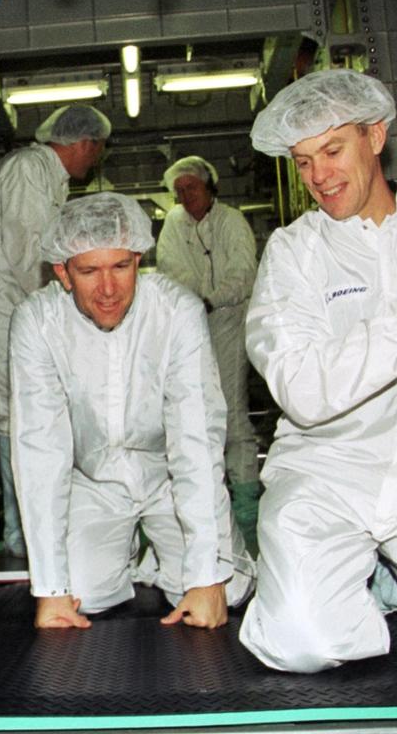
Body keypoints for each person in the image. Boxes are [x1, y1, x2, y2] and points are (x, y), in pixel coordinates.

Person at [239, 69, 397, 672]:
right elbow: (302, 389)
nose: (319, 177)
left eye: (333, 150)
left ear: (376, 135)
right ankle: (337, 579)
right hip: (327, 479)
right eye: (303, 161)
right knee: (302, 642)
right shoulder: (294, 253)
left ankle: (386, 588)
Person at [9, 192, 254, 630]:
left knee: (229, 591)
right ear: (63, 273)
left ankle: (165, 556)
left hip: (168, 480)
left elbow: (196, 440)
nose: (108, 289)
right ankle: (126, 553)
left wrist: (205, 578)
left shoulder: (177, 311)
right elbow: (39, 451)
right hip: (92, 482)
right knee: (81, 595)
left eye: (121, 267)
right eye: (89, 271)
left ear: (139, 259)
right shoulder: (37, 322)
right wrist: (50, 589)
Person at [0, 105, 111, 557]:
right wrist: (71, 308)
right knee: (17, 420)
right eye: (96, 152)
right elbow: (29, 251)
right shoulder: (28, 168)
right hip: (3, 310)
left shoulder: (48, 177)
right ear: (84, 143)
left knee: (34, 416)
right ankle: (24, 537)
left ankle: (38, 532)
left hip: (24, 307)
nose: (93, 162)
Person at [154, 156, 260, 548]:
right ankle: (207, 506)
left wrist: (214, 299)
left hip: (229, 321)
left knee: (232, 415)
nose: (184, 196)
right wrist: (195, 301)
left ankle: (247, 508)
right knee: (192, 416)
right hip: (190, 326)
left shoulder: (231, 221)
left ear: (209, 185)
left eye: (191, 188)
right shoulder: (172, 225)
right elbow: (170, 268)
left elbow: (244, 272)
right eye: (178, 191)